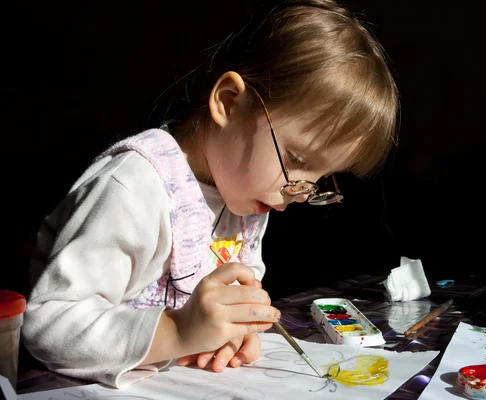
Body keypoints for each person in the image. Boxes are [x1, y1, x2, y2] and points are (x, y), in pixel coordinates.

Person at [22, 0, 400, 389]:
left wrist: (233, 328)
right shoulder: (134, 186)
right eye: (297, 159)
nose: (301, 194)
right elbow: (48, 326)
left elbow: (235, 289)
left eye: (322, 178)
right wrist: (176, 332)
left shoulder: (247, 194)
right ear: (228, 103)